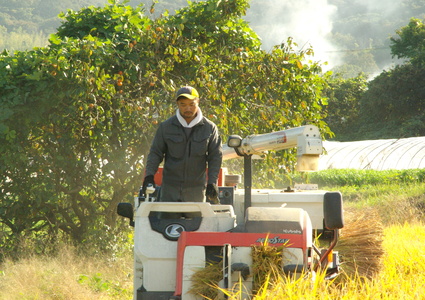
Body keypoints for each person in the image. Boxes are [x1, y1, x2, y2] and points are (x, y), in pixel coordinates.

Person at [142, 86, 222, 203]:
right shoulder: (166, 127)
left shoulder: (209, 128)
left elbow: (215, 157)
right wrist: (149, 176)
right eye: (183, 104)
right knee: (167, 222)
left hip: (196, 191)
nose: (187, 108)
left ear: (198, 102)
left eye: (191, 104)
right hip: (169, 191)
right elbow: (155, 153)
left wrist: (212, 183)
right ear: (177, 104)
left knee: (196, 222)